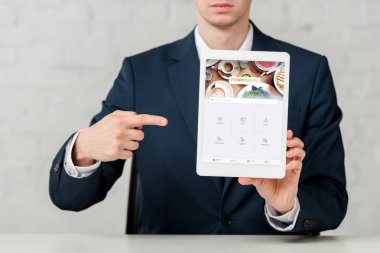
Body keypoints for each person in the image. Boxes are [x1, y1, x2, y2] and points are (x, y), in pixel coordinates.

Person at [49, 0, 348, 234]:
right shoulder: (141, 74)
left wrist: (287, 207)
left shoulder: (309, 71)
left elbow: (331, 198)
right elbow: (70, 198)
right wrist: (83, 148)